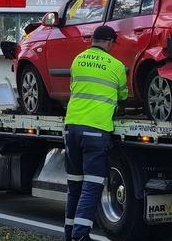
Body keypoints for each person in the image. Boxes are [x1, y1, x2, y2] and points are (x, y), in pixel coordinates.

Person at [64, 25, 128, 241]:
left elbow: (74, 88)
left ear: (93, 40)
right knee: (92, 186)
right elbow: (123, 95)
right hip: (96, 130)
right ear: (110, 42)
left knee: (75, 186)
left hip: (71, 129)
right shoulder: (116, 66)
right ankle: (80, 236)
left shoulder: (77, 60)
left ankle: (69, 234)